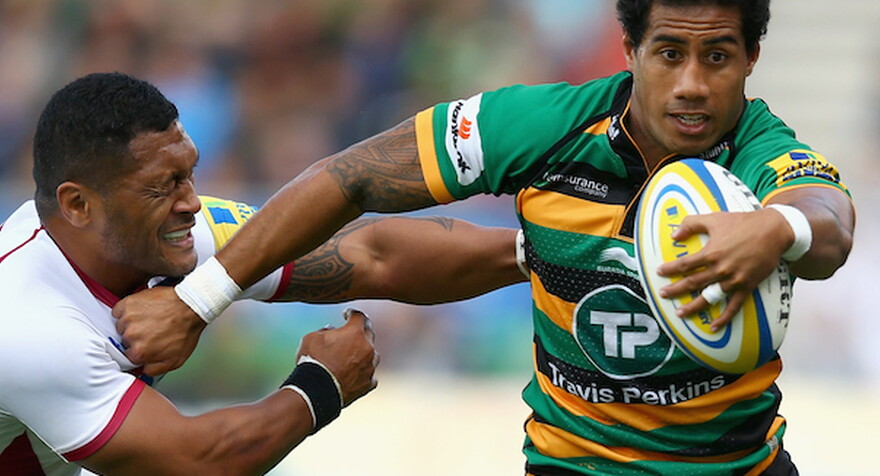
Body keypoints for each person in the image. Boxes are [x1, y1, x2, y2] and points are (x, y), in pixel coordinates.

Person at [117, 0, 856, 474]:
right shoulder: (538, 126)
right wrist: (198, 302)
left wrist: (778, 227)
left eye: (717, 57)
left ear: (751, 59)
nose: (691, 83)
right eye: (670, 53)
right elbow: (352, 178)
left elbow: (829, 220)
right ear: (629, 48)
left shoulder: (759, 152)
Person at [0, 71, 523, 475]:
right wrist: (320, 385)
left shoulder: (163, 236)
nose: (191, 203)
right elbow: (199, 462)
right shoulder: (26, 323)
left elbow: (371, 254)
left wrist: (534, 252)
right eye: (162, 186)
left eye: (189, 174)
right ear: (79, 205)